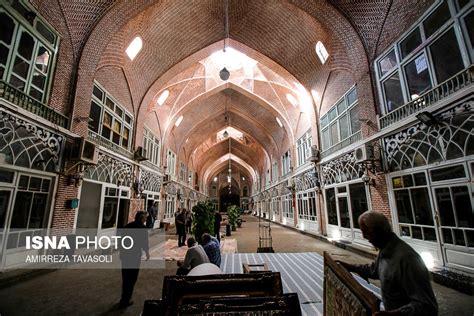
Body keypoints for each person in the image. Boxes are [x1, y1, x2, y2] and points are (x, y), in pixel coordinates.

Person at [337, 211, 438, 316]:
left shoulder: (407, 259)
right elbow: (375, 270)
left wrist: (394, 314)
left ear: (380, 231)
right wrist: (351, 267)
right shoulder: (385, 250)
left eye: (367, 232)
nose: (364, 237)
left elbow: (427, 306)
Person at [119, 211, 150, 308]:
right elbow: (144, 242)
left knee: (126, 277)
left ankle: (124, 298)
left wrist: (121, 252)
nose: (146, 220)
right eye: (145, 218)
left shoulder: (127, 226)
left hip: (125, 255)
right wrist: (147, 252)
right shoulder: (143, 228)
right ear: (141, 218)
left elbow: (121, 240)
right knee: (132, 277)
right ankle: (126, 299)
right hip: (135, 255)